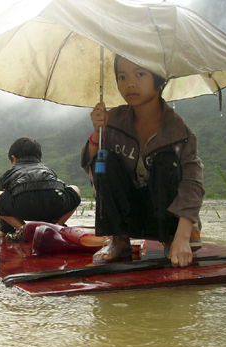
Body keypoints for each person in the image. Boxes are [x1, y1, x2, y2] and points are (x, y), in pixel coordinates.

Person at [81, 55, 204, 268]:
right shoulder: (113, 120)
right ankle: (118, 239)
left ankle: (170, 238)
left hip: (166, 216)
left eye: (140, 74)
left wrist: (182, 237)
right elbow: (90, 167)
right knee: (103, 160)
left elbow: (193, 185)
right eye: (122, 76)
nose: (130, 83)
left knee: (167, 161)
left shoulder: (179, 133)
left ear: (160, 80)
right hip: (128, 215)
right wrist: (97, 132)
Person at [0, 136, 81, 240]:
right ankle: (57, 224)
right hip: (53, 202)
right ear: (40, 160)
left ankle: (21, 228)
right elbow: (59, 187)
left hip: (22, 204)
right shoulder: (48, 170)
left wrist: (4, 229)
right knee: (75, 190)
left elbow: (2, 203)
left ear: (13, 158)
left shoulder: (8, 173)